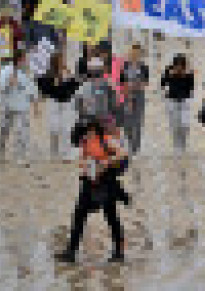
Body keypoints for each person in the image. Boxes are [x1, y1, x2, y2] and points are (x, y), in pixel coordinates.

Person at [55, 120, 128, 263]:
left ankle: (119, 252)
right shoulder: (84, 142)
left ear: (94, 129)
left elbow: (123, 154)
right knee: (78, 215)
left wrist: (106, 162)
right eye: (85, 133)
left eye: (88, 132)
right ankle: (71, 252)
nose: (86, 135)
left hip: (107, 183)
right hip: (90, 183)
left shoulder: (105, 140)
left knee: (111, 217)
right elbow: (83, 159)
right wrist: (85, 168)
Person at [37, 51, 81, 160]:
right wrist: (54, 82)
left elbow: (75, 87)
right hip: (54, 102)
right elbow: (43, 89)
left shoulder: (67, 74)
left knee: (67, 128)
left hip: (67, 103)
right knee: (54, 128)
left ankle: (68, 152)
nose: (62, 63)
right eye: (60, 61)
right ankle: (54, 151)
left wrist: (70, 76)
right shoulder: (48, 75)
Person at [0, 50, 37, 162]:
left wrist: (35, 104)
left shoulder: (27, 73)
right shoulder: (5, 71)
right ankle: (0, 150)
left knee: (22, 132)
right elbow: (0, 88)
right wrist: (8, 83)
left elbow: (32, 88)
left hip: (22, 107)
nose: (26, 61)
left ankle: (20, 156)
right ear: (19, 60)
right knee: (4, 130)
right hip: (7, 106)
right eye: (24, 59)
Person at [161, 54, 195, 152]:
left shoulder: (188, 72)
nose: (179, 67)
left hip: (185, 100)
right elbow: (162, 84)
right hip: (172, 100)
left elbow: (191, 87)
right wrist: (169, 75)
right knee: (174, 124)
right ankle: (176, 145)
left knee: (185, 124)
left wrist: (186, 76)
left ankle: (183, 142)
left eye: (181, 65)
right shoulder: (169, 70)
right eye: (177, 64)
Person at [119, 44, 149, 155]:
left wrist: (138, 85)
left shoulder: (144, 67)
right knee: (127, 121)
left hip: (139, 95)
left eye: (137, 53)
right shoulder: (125, 66)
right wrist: (127, 87)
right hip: (127, 95)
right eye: (132, 53)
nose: (134, 55)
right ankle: (129, 143)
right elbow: (121, 81)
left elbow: (146, 82)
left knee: (137, 121)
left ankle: (136, 147)